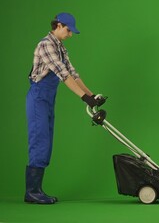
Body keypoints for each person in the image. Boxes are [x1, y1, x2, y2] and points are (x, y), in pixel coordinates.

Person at [25, 12, 106, 204]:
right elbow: (63, 75)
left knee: (47, 141)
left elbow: (73, 73)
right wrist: (84, 98)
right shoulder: (46, 45)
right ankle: (32, 191)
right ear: (59, 25)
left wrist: (91, 95)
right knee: (40, 140)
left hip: (47, 99)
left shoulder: (60, 47)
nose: (70, 34)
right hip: (38, 98)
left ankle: (35, 190)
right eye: (68, 30)